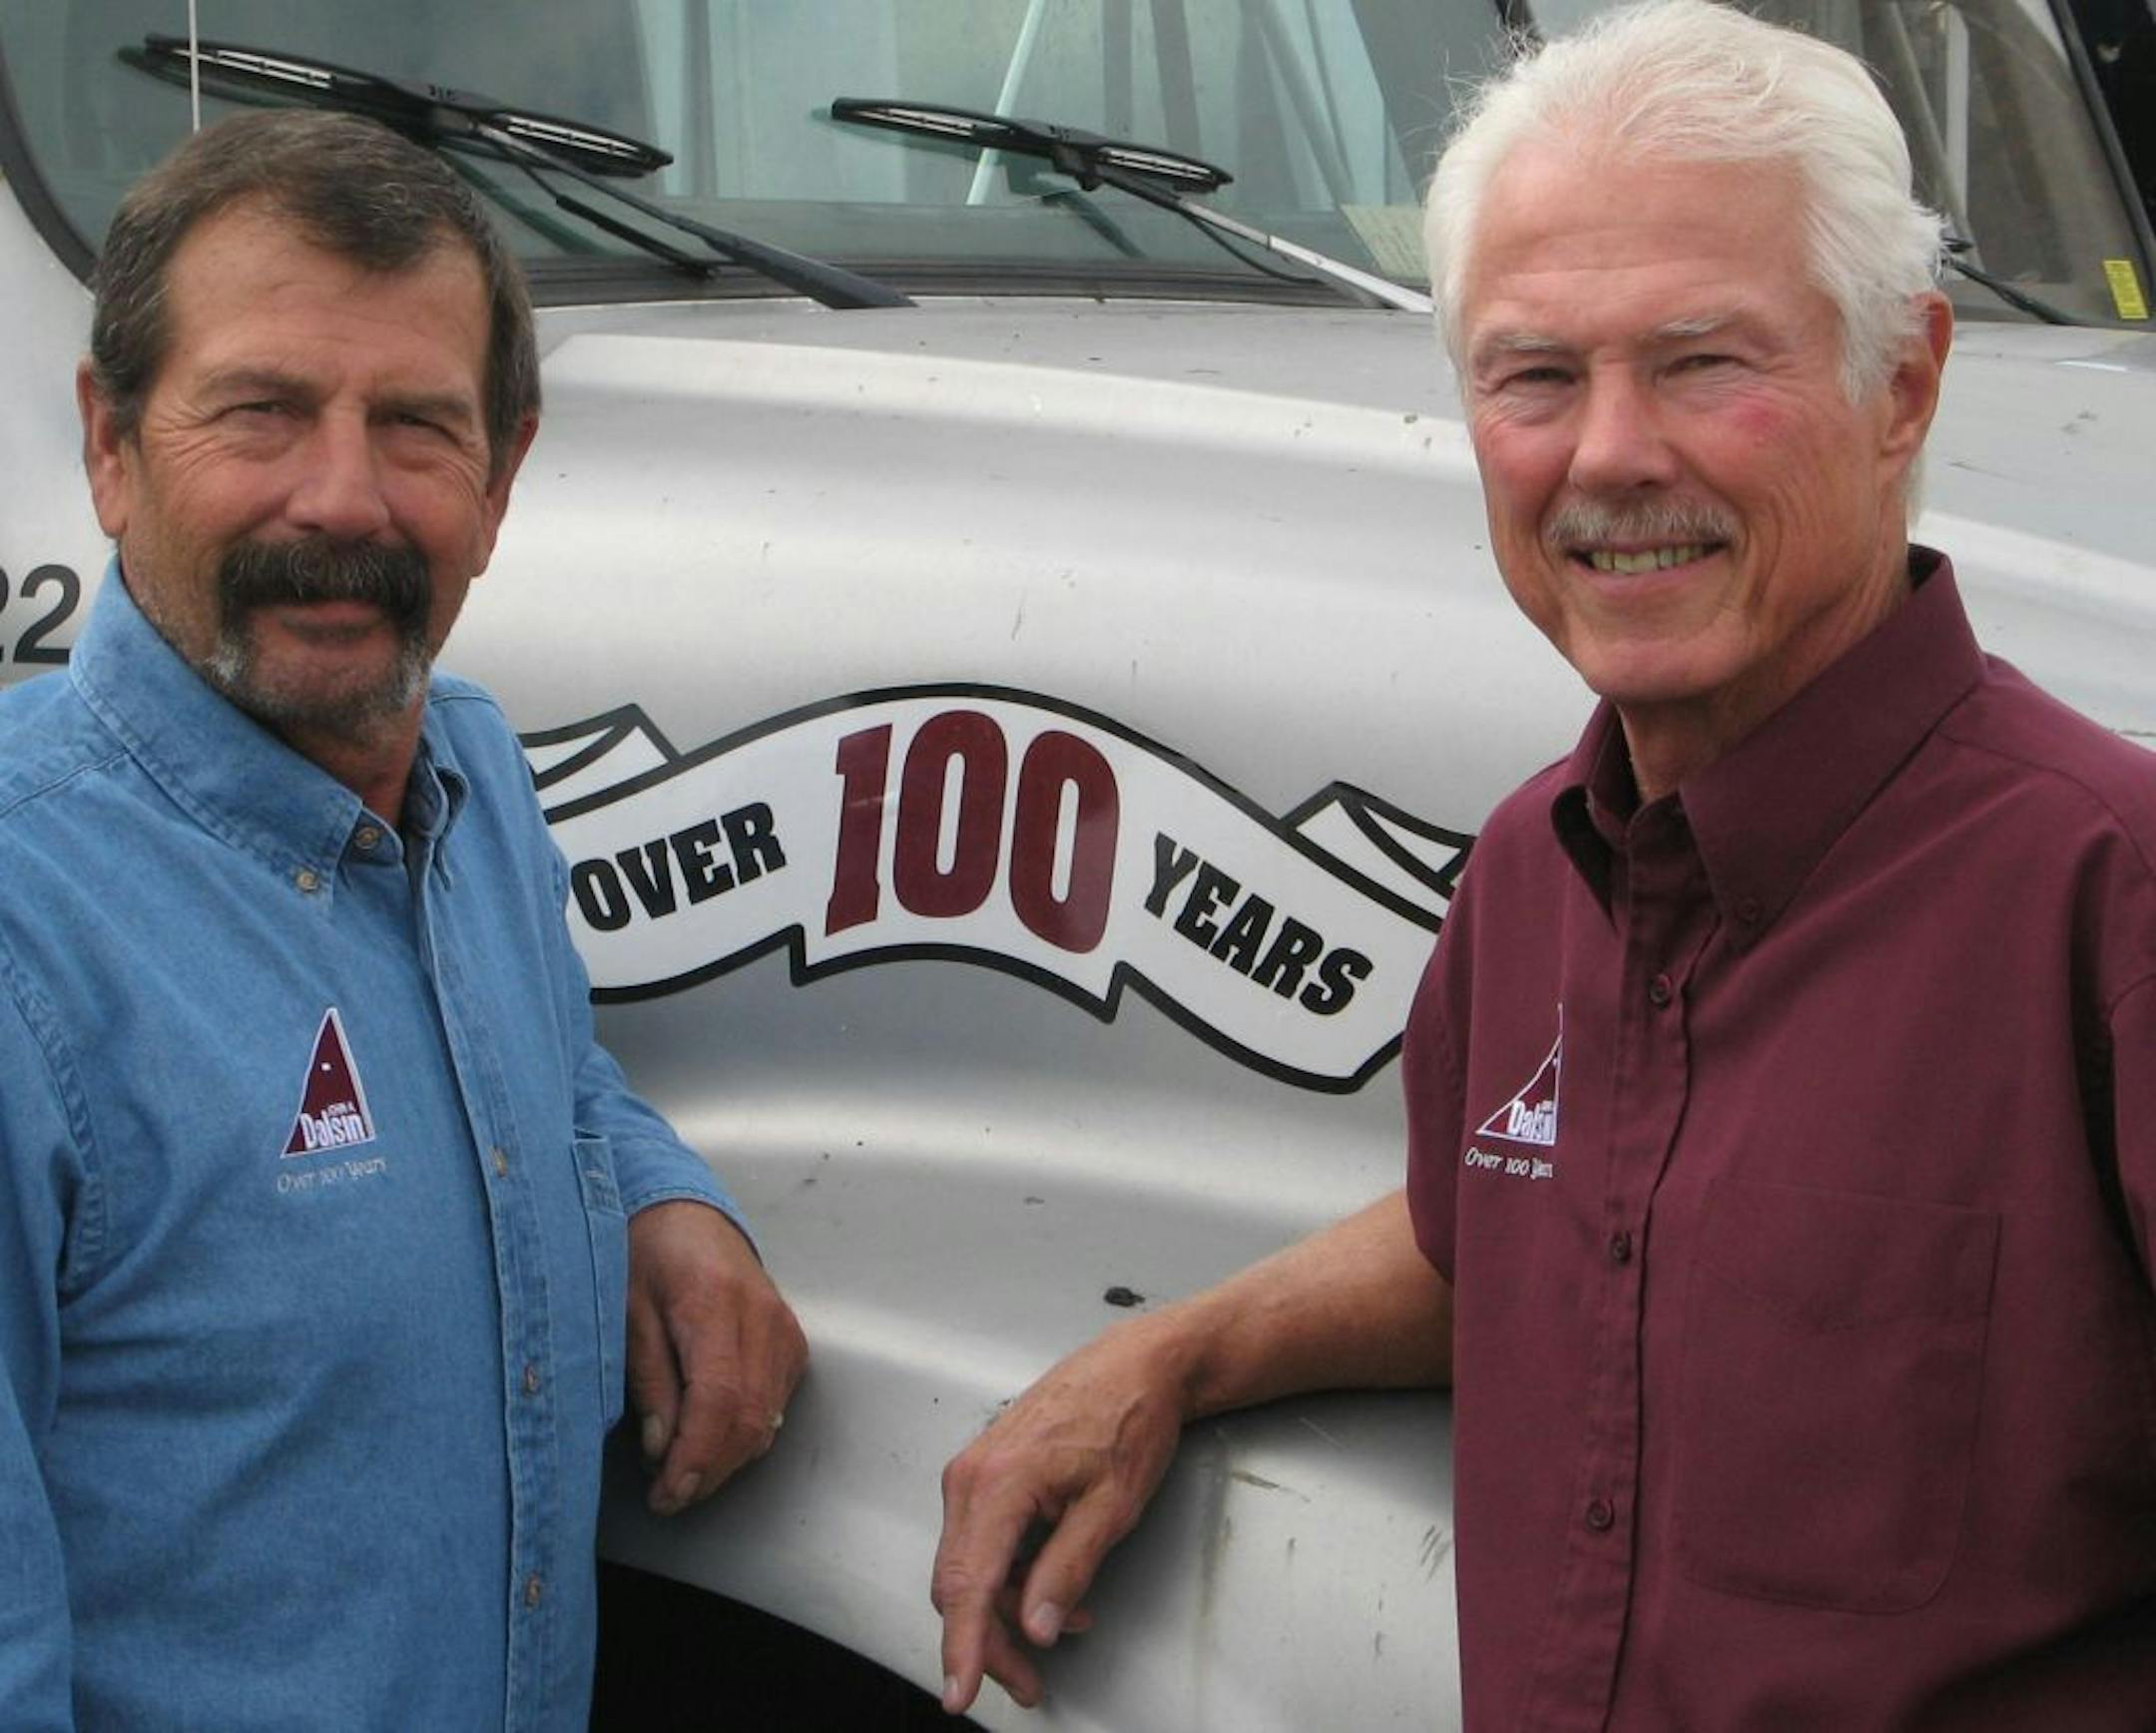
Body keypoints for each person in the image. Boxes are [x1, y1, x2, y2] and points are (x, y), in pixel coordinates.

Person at [931, 2, 2156, 1726]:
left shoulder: (2106, 903)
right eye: (1535, 376)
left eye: (1704, 361)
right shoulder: (1533, 869)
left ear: (1905, 386)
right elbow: (1531, 1238)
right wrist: (1172, 1355)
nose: (1608, 457)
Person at [0, 110, 806, 1730]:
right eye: (262, 412)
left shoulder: (475, 780)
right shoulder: (30, 944)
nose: (346, 499)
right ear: (109, 445)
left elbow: (545, 1067)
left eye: (420, 429)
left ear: (502, 481)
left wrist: (660, 1197)